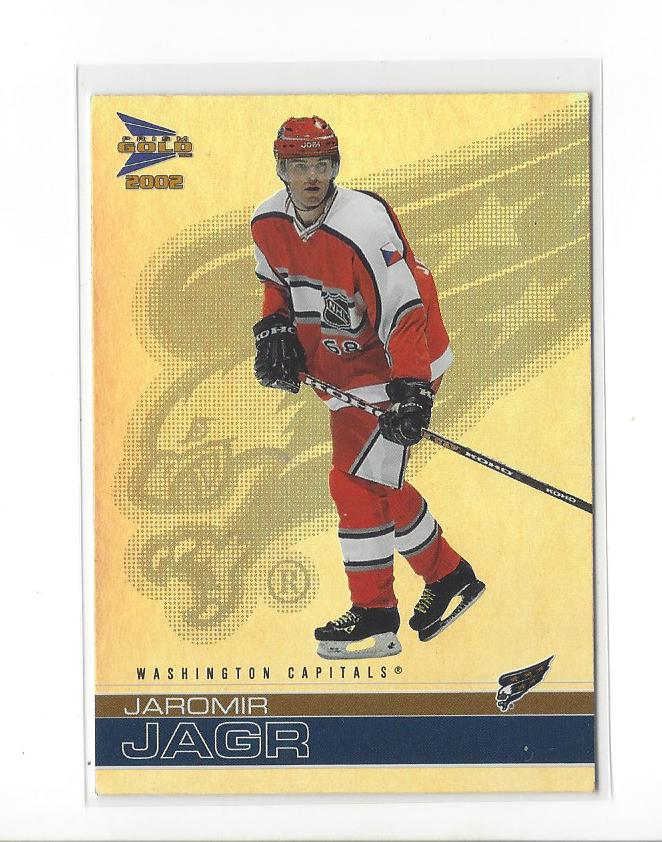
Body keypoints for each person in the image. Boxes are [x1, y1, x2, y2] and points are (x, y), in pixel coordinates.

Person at [250, 116, 485, 659]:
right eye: (300, 165)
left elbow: (404, 310)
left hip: (399, 361)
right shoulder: (266, 221)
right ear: (281, 169)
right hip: (344, 368)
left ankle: (375, 613)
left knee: (353, 485)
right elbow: (276, 288)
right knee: (378, 482)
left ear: (336, 166)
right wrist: (274, 329)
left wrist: (413, 389)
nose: (312, 176)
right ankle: (448, 575)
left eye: (322, 164)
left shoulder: (363, 223)